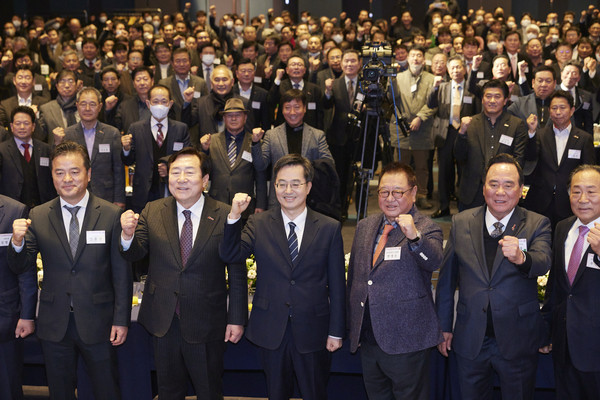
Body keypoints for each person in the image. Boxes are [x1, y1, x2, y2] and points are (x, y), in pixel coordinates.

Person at [120, 147, 247, 400]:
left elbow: (236, 270)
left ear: (205, 180)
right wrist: (126, 235)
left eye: (189, 172)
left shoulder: (225, 214)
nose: (181, 179)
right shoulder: (152, 210)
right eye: (175, 172)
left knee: (209, 390)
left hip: (207, 321)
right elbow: (134, 253)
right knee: (168, 392)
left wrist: (237, 318)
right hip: (163, 321)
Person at [8, 141, 132, 400]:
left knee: (107, 390)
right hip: (55, 324)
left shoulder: (110, 215)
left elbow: (122, 273)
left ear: (88, 174)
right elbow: (22, 267)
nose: (67, 179)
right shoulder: (39, 215)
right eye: (59, 172)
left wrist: (121, 319)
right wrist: (17, 243)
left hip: (99, 321)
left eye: (74, 171)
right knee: (60, 392)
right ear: (52, 175)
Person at [220, 154, 345, 400]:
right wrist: (234, 216)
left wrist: (336, 331)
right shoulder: (258, 222)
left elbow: (338, 284)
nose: (288, 190)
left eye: (295, 184)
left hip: (314, 329)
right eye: (281, 184)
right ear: (274, 186)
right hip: (270, 329)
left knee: (315, 393)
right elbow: (230, 253)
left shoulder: (329, 227)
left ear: (308, 187)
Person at [436, 153, 552, 400]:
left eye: (509, 185)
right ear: (483, 185)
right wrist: (444, 326)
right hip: (470, 339)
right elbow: (446, 282)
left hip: (518, 339)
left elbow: (542, 262)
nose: (500, 191)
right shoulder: (461, 222)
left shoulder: (537, 223)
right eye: (493, 184)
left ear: (521, 190)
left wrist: (522, 258)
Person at [346, 162, 443, 399]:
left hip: (406, 341)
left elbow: (434, 261)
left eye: (398, 192)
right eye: (384, 192)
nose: (390, 198)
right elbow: (356, 281)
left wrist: (414, 237)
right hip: (369, 338)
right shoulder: (365, 226)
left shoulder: (427, 228)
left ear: (413, 193)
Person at [541, 165, 600, 400]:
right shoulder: (562, 228)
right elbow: (555, 286)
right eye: (576, 191)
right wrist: (546, 331)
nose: (582, 199)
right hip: (564, 346)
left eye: (591, 192)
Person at [524, 90, 595, 229]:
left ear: (572, 110)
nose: (558, 112)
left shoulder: (583, 138)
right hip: (541, 200)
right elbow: (530, 157)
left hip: (569, 201)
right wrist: (531, 133)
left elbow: (589, 172)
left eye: (562, 108)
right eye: (554, 108)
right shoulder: (539, 134)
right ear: (549, 111)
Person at [252, 89, 333, 208]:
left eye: (297, 107)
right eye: (287, 107)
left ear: (304, 109)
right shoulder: (271, 135)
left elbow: (329, 165)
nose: (292, 112)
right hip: (279, 201)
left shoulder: (317, 135)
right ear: (282, 110)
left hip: (310, 201)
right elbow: (260, 165)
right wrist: (255, 143)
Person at [455, 79, 527, 210]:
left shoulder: (517, 125)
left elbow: (519, 160)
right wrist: (462, 133)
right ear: (482, 99)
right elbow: (459, 157)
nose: (492, 101)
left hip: (503, 193)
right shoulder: (470, 123)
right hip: (472, 192)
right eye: (488, 96)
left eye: (497, 96)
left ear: (505, 100)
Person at [121, 84, 190, 213]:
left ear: (170, 104)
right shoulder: (136, 128)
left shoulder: (181, 129)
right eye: (155, 101)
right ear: (148, 103)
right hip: (143, 193)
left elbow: (186, 158)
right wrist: (126, 149)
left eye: (164, 101)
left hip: (172, 191)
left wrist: (168, 166)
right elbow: (128, 161)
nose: (159, 105)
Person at [427, 55, 480, 218]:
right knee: (444, 171)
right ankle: (443, 206)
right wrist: (434, 88)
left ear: (465, 69)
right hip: (446, 133)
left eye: (459, 67)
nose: (456, 70)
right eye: (453, 68)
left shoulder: (472, 89)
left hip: (466, 133)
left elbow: (477, 111)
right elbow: (431, 104)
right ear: (448, 71)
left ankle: (463, 205)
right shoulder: (442, 87)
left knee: (464, 170)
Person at [199, 98, 267, 219]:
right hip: (216, 204)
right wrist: (204, 150)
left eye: (238, 115)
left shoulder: (255, 141)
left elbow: (260, 174)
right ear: (224, 118)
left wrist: (261, 204)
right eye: (229, 115)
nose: (234, 118)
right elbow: (203, 170)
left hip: (245, 206)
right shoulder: (211, 140)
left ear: (245, 118)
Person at [389, 46, 437, 209]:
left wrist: (420, 118)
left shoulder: (432, 79)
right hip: (401, 129)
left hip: (422, 128)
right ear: (407, 59)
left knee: (422, 167)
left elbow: (434, 103)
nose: (416, 59)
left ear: (424, 60)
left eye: (419, 56)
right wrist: (401, 119)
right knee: (400, 167)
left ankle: (421, 195)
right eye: (413, 56)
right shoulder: (398, 77)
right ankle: (398, 194)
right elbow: (391, 100)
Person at [64, 87, 126, 207]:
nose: (87, 108)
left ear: (100, 106)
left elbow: (118, 169)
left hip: (106, 197)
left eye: (92, 104)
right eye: (83, 104)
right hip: (75, 195)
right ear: (77, 106)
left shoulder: (112, 133)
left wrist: (119, 199)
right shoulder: (68, 134)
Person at [0, 194, 35, 400]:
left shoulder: (15, 210)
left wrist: (27, 315)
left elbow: (25, 269)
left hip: (4, 319)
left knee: (7, 388)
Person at [323, 49, 361, 220]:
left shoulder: (366, 84)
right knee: (340, 175)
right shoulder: (334, 83)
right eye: (346, 61)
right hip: (338, 139)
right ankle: (340, 209)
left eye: (353, 61)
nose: (349, 64)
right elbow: (326, 105)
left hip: (360, 138)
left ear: (359, 63)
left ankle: (361, 210)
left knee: (360, 177)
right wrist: (327, 92)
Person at [0, 106, 56, 210]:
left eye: (26, 123)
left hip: (42, 208)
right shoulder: (2, 150)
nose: (22, 127)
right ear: (11, 126)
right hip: (12, 209)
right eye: (18, 123)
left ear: (33, 126)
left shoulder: (45, 149)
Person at [38, 69, 80, 145]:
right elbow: (39, 137)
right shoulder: (46, 109)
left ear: (77, 85)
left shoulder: (84, 107)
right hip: (56, 153)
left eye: (70, 81)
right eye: (62, 81)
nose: (67, 86)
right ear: (57, 86)